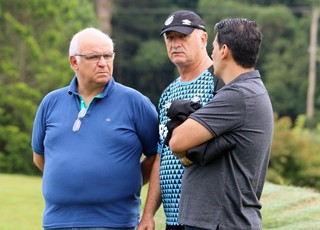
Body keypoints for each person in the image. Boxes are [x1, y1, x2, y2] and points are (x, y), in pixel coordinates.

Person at [31, 27, 159, 230]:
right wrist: (70, 182)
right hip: (57, 223)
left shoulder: (135, 102)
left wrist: (127, 181)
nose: (103, 63)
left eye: (108, 56)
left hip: (115, 223)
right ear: (74, 62)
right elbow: (39, 157)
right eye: (94, 57)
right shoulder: (50, 103)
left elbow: (157, 156)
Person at [169, 18, 274, 230]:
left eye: (214, 47)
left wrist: (188, 149)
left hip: (221, 222)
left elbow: (177, 141)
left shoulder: (237, 96)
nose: (211, 54)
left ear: (224, 50)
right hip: (222, 220)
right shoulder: (248, 91)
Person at [138, 10, 224, 230]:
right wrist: (148, 215)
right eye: (170, 38)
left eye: (183, 36)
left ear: (203, 38)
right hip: (173, 219)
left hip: (207, 218)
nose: (175, 43)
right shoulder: (168, 92)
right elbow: (161, 155)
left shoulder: (219, 82)